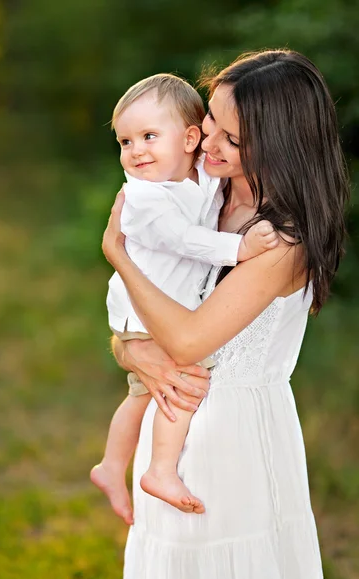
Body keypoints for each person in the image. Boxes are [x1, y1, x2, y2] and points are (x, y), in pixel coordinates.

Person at [102, 50, 348, 579]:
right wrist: (128, 349)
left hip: (233, 443)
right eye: (211, 119)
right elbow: (147, 316)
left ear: (278, 145)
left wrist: (116, 253)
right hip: (170, 418)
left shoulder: (281, 239)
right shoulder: (200, 197)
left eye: (231, 139)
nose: (208, 142)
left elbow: (187, 337)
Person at [90, 73, 278, 526]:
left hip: (157, 315)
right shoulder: (143, 197)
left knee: (141, 396)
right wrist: (241, 249)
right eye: (125, 141)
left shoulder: (198, 179)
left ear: (189, 138)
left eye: (149, 137)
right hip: (145, 315)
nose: (135, 151)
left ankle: (112, 466)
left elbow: (207, 202)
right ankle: (159, 469)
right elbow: (185, 240)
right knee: (182, 383)